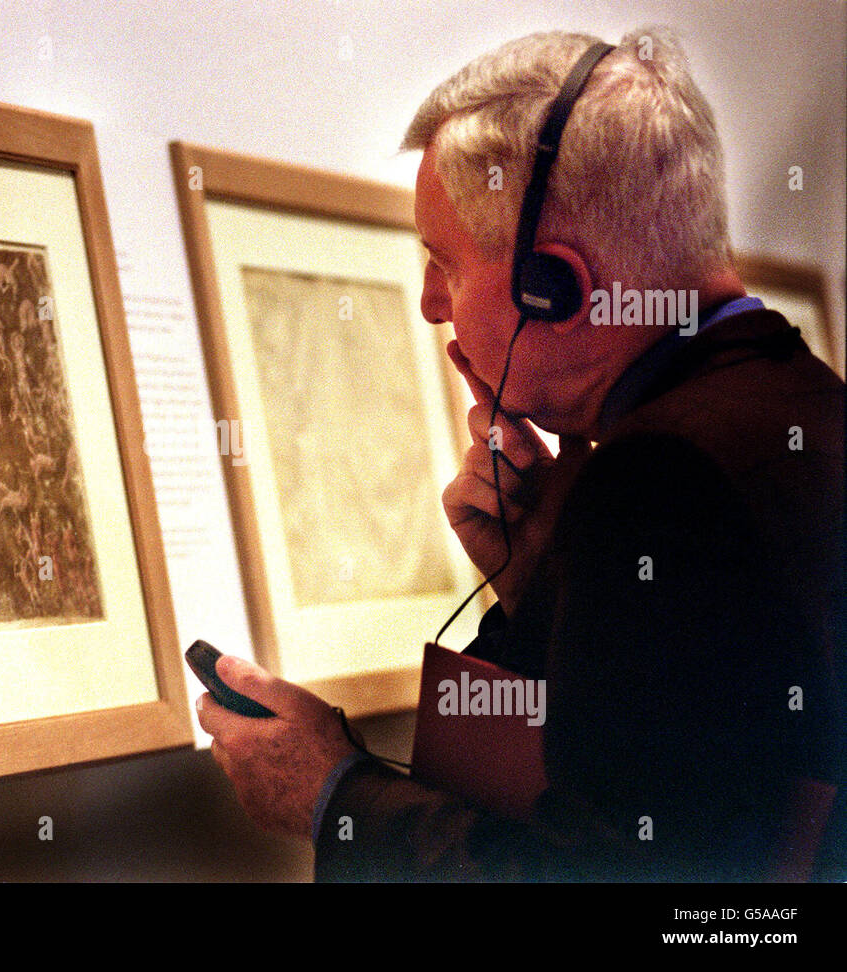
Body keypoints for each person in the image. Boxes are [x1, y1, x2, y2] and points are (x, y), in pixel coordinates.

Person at [196, 27, 844, 881]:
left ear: (556, 285)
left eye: (445, 263)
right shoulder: (803, 411)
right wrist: (545, 583)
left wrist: (332, 794)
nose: (431, 306)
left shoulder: (660, 479)